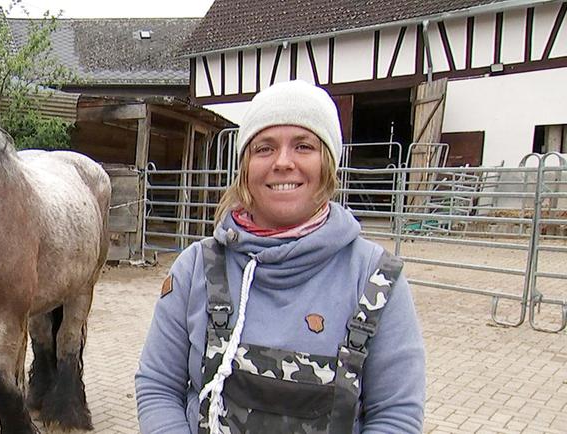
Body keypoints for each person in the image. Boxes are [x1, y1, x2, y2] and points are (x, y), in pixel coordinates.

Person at [135, 80, 425, 434]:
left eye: (303, 146)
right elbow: (157, 386)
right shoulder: (195, 268)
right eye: (264, 148)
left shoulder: (375, 280)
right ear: (245, 167)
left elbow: (395, 416)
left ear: (328, 164)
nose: (283, 162)